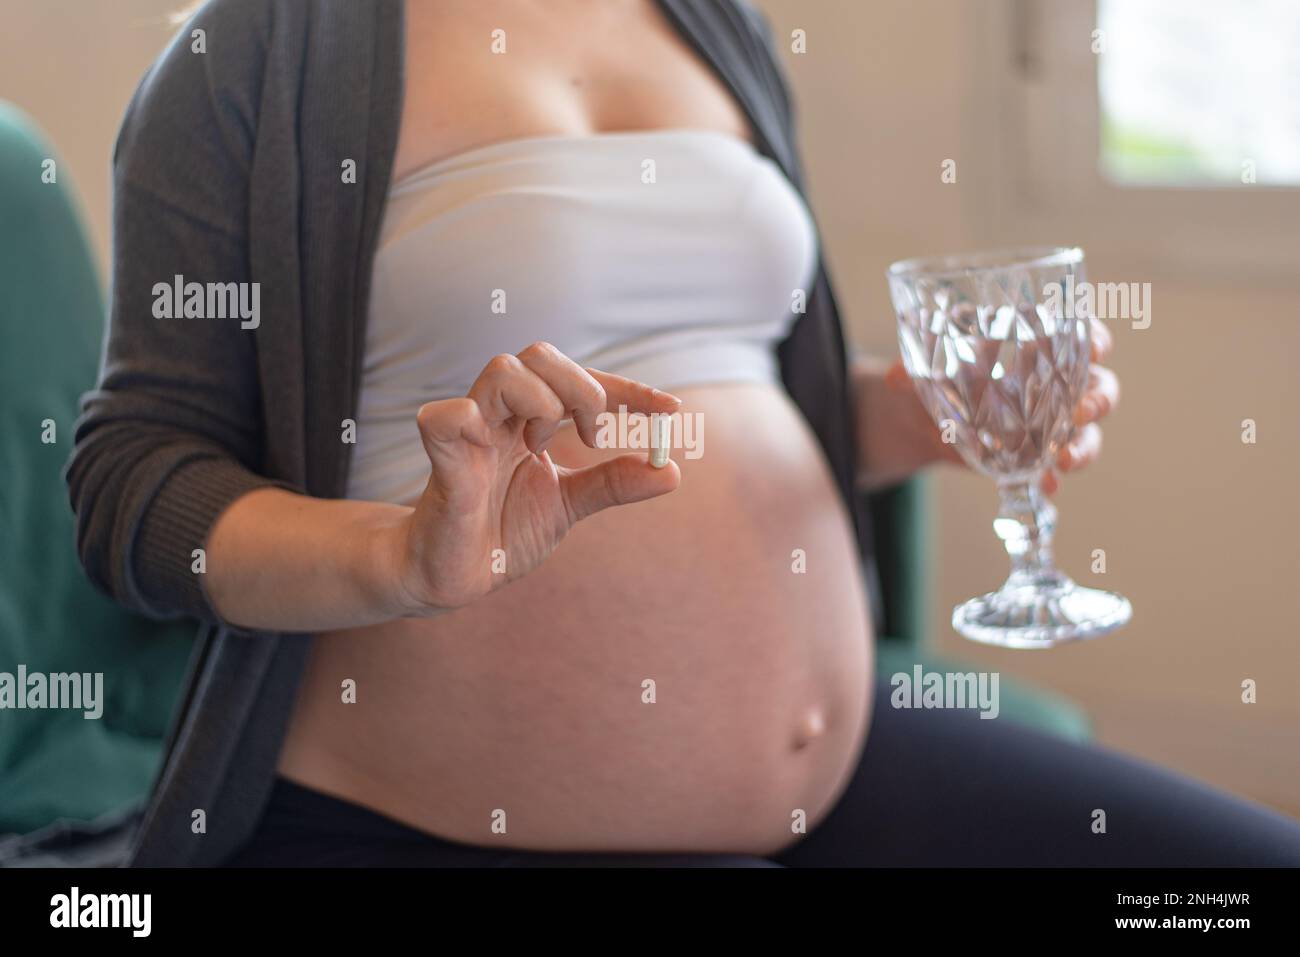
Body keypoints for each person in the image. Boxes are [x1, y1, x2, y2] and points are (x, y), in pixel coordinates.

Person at [67, 0, 1300, 867]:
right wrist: (396, 554)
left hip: (843, 767)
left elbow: (751, 389)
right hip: (425, 818)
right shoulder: (250, 56)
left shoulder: (715, 22)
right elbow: (130, 488)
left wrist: (907, 417)